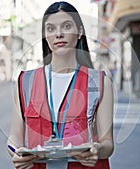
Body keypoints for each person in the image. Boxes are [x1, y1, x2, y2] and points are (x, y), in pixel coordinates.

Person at [7, 1, 114, 169]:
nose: (58, 34)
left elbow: (108, 144)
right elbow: (14, 137)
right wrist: (16, 153)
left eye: (66, 26)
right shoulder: (24, 82)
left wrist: (97, 149)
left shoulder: (100, 82)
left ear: (79, 32)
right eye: (50, 28)